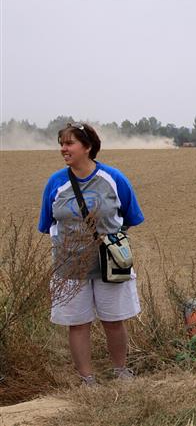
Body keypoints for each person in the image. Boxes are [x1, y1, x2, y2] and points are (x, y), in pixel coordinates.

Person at [38, 122, 144, 385]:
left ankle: (121, 372)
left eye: (69, 143)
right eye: (61, 143)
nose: (63, 148)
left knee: (114, 321)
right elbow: (46, 224)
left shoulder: (114, 178)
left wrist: (111, 241)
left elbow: (131, 216)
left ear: (87, 147)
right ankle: (87, 380)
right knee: (78, 324)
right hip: (69, 268)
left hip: (111, 265)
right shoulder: (55, 183)